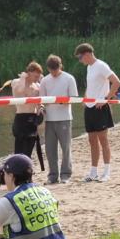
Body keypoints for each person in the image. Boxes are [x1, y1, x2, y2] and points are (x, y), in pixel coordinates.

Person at [75, 43, 120, 182]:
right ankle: (93, 172)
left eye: (80, 57)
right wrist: (86, 98)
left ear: (87, 54)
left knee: (103, 139)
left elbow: (116, 82)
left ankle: (106, 172)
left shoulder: (101, 65)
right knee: (92, 140)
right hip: (89, 107)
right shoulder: (89, 67)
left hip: (100, 107)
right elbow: (92, 86)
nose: (80, 61)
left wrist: (106, 99)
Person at [40, 55, 78, 184]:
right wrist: (42, 108)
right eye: (51, 70)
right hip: (49, 119)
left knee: (65, 148)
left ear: (60, 66)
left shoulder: (69, 78)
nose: (54, 73)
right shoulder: (45, 80)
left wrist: (61, 102)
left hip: (64, 118)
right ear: (48, 69)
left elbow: (73, 98)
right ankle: (52, 175)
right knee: (50, 149)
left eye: (55, 70)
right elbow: (41, 100)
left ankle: (66, 174)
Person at [10, 63, 43, 157]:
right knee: (19, 148)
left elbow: (40, 102)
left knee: (30, 146)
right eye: (35, 76)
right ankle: (18, 170)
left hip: (32, 117)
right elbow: (19, 91)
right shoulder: (17, 81)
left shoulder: (37, 86)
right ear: (29, 73)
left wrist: (41, 109)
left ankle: (27, 169)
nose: (37, 78)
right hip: (21, 117)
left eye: (38, 76)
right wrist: (23, 79)